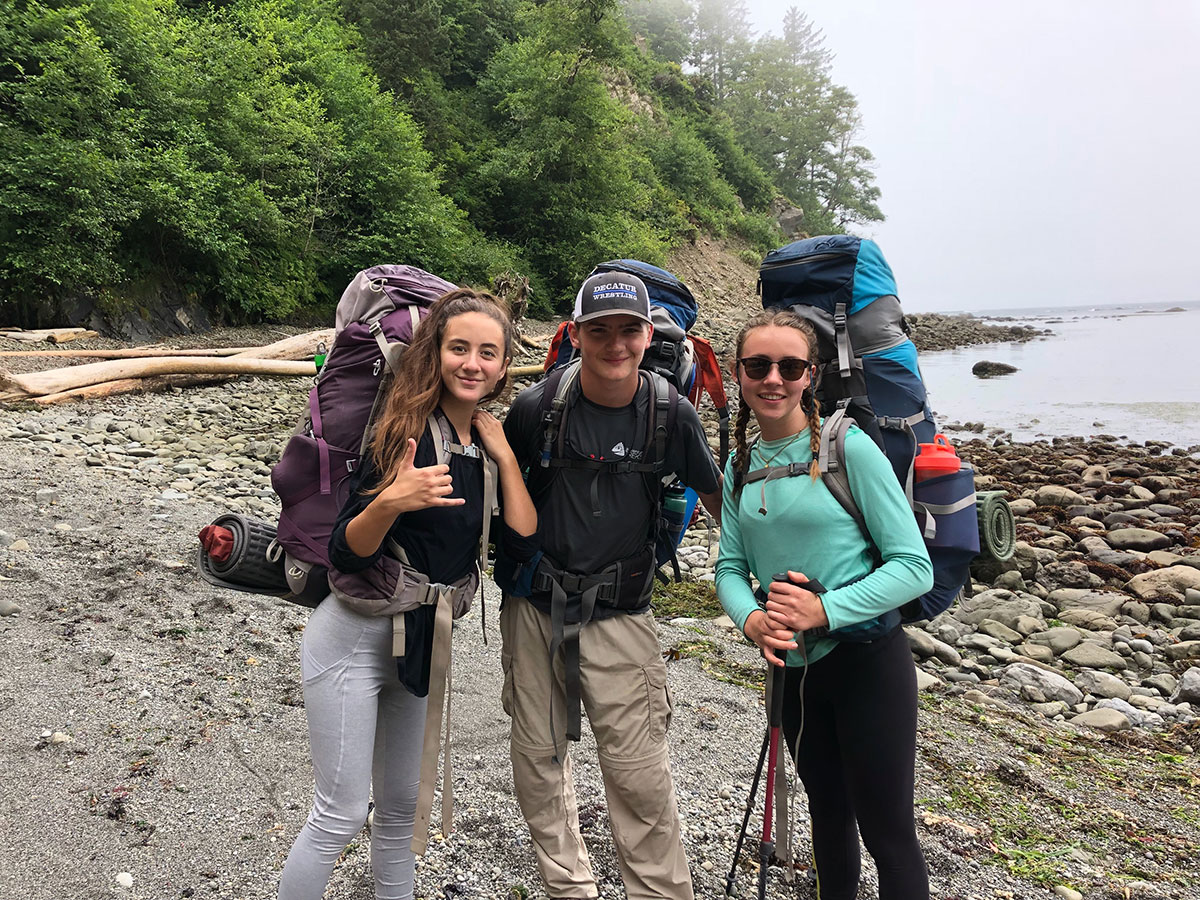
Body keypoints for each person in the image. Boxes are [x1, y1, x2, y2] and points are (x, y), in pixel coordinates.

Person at [278, 289, 538, 900]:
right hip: (353, 638)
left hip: (423, 643)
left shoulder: (483, 443)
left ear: (504, 366)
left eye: (488, 353)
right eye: (459, 349)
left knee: (399, 812)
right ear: (436, 354)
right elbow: (348, 549)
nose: (472, 363)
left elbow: (523, 539)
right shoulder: (403, 429)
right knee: (340, 813)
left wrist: (503, 455)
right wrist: (394, 499)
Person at [498, 271, 722, 900]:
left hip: (623, 614)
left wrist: (763, 569)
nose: (615, 343)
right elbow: (495, 498)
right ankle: (569, 887)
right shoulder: (535, 409)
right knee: (538, 764)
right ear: (575, 335)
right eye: (600, 330)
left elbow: (716, 496)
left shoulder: (669, 413)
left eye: (629, 330)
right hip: (535, 605)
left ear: (649, 335)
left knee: (639, 775)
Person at [714, 308, 934, 900]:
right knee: (828, 819)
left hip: (868, 665)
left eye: (789, 366)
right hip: (793, 669)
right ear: (738, 373)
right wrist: (753, 620)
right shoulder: (739, 464)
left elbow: (914, 567)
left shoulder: (849, 448)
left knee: (887, 832)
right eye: (758, 365)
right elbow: (730, 569)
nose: (773, 379)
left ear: (811, 374)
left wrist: (824, 610)